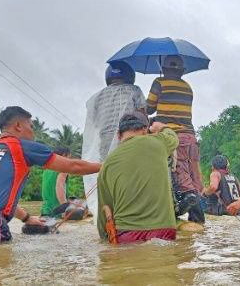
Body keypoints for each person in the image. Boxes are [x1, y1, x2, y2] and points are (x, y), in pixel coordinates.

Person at [0, 106, 101, 245]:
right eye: (31, 126)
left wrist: (27, 218)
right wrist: (106, 165)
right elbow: (73, 166)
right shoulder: (21, 146)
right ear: (18, 126)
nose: (33, 131)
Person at [97, 112, 179, 244]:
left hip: (126, 234)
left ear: (118, 135)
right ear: (145, 130)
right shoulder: (159, 143)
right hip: (163, 230)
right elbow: (173, 137)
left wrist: (105, 239)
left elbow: (105, 210)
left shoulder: (107, 163)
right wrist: (161, 127)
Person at [82, 61, 146, 218]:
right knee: (131, 177)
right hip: (129, 140)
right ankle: (131, 212)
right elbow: (143, 116)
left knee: (111, 177)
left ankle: (111, 214)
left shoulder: (96, 97)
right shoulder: (135, 91)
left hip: (104, 145)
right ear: (130, 75)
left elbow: (95, 122)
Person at [146, 55, 205, 223]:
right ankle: (199, 221)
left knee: (181, 178)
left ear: (164, 69)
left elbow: (149, 108)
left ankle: (197, 218)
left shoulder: (159, 82)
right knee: (195, 177)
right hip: (191, 137)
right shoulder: (187, 87)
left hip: (173, 136)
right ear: (182, 71)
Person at [39, 146, 85, 219]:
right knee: (83, 205)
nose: (69, 160)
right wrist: (64, 207)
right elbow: (59, 186)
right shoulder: (63, 168)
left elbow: (49, 190)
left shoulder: (47, 169)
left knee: (75, 201)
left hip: (46, 210)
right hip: (58, 211)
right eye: (69, 158)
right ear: (63, 156)